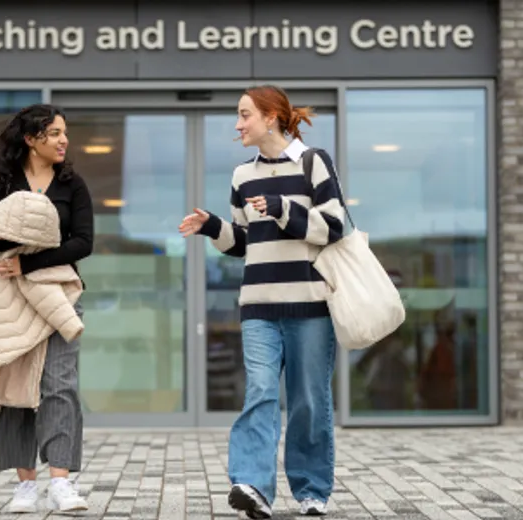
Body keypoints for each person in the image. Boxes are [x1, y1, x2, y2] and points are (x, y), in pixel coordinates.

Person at [179, 85, 345, 518]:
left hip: (310, 305)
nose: (238, 125)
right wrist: (213, 226)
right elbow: (245, 243)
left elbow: (335, 227)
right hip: (258, 306)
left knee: (309, 399)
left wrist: (281, 207)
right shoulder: (241, 175)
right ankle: (252, 486)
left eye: (244, 115)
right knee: (259, 392)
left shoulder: (314, 162)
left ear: (271, 117)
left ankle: (312, 490)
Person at [0, 104, 94, 514]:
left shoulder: (71, 184)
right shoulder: (1, 181)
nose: (64, 140)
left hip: (60, 294)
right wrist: (22, 244)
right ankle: (25, 485)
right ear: (31, 139)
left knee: (60, 385)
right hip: (9, 296)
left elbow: (83, 242)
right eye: (55, 133)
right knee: (17, 388)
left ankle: (60, 482)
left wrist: (29, 260)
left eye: (65, 132)